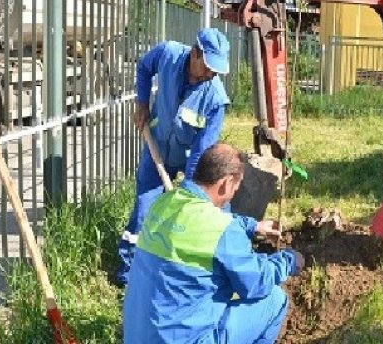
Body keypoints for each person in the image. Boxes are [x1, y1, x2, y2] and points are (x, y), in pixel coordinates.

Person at [123, 143, 304, 343]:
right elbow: (255, 283)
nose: (234, 193)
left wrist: (252, 226)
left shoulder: (164, 204)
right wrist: (288, 261)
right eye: (236, 187)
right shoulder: (224, 231)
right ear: (226, 183)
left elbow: (201, 222)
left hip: (137, 338)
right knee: (275, 300)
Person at [116, 28, 231, 286]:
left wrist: (187, 193)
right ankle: (127, 275)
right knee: (145, 208)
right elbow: (144, 68)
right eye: (209, 67)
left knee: (199, 211)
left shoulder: (215, 100)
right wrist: (143, 103)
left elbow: (201, 152)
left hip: (190, 156)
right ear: (194, 53)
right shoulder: (167, 54)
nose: (212, 75)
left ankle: (213, 264)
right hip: (157, 145)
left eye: (217, 70)